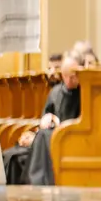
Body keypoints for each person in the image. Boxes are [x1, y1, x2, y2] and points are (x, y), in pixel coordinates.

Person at [27, 52, 82, 185]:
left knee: (42, 137)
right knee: (13, 155)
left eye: (73, 77)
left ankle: (39, 181)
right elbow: (46, 115)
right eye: (65, 76)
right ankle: (35, 181)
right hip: (53, 132)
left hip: (72, 135)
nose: (69, 81)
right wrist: (48, 117)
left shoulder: (84, 92)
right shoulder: (55, 92)